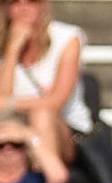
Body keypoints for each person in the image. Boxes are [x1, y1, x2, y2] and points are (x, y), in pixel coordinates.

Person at [0, 0, 92, 163]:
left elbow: (56, 102)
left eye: (31, 1)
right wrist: (12, 49)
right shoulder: (4, 42)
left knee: (42, 114)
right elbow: (2, 102)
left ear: (43, 4)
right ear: (5, 7)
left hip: (65, 129)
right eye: (15, 1)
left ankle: (44, 182)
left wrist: (12, 103)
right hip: (12, 126)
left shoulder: (67, 37)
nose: (23, 7)